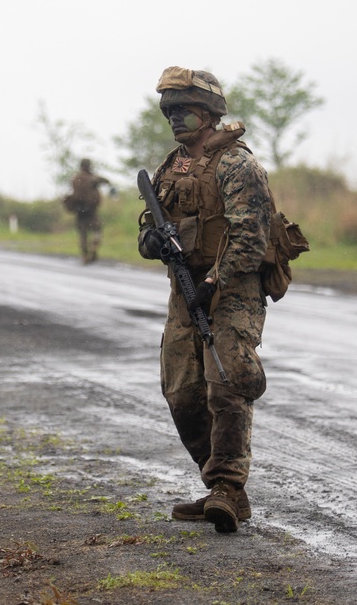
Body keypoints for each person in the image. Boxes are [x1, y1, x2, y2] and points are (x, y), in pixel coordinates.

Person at [137, 66, 273, 533]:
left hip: (233, 291)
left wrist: (216, 280)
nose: (175, 119)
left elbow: (251, 238)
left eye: (185, 110)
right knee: (181, 391)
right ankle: (218, 483)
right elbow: (147, 225)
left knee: (226, 384)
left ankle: (228, 489)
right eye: (170, 111)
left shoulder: (238, 164)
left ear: (209, 112)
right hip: (185, 290)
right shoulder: (170, 167)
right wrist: (151, 243)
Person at [66, 158, 111, 264]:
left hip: (79, 210)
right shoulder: (93, 178)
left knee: (83, 234)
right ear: (89, 166)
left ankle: (85, 255)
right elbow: (106, 181)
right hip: (91, 210)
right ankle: (94, 247)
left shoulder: (75, 179)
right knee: (97, 230)